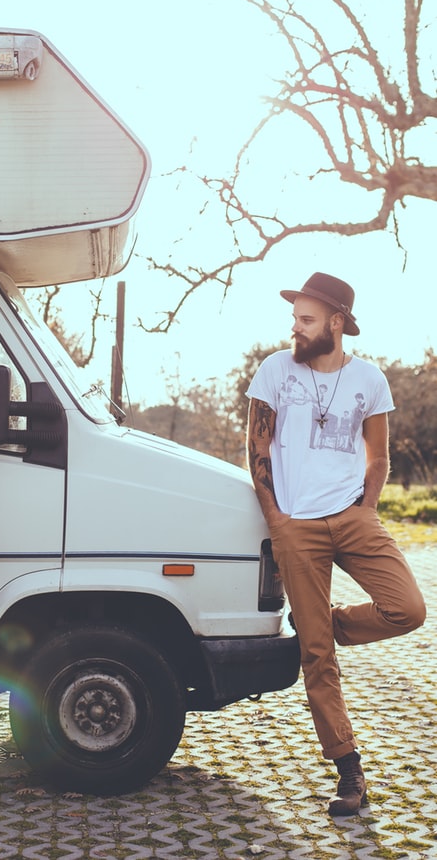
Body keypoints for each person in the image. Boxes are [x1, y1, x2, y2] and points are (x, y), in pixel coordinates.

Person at [245, 272, 426, 817]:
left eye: (307, 319)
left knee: (408, 609)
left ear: (337, 323)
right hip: (296, 525)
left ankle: (321, 621)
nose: (296, 329)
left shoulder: (369, 378)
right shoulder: (275, 370)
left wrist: (365, 510)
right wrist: (277, 519)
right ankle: (349, 770)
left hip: (353, 517)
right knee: (316, 657)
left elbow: (378, 456)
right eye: (294, 319)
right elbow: (256, 447)